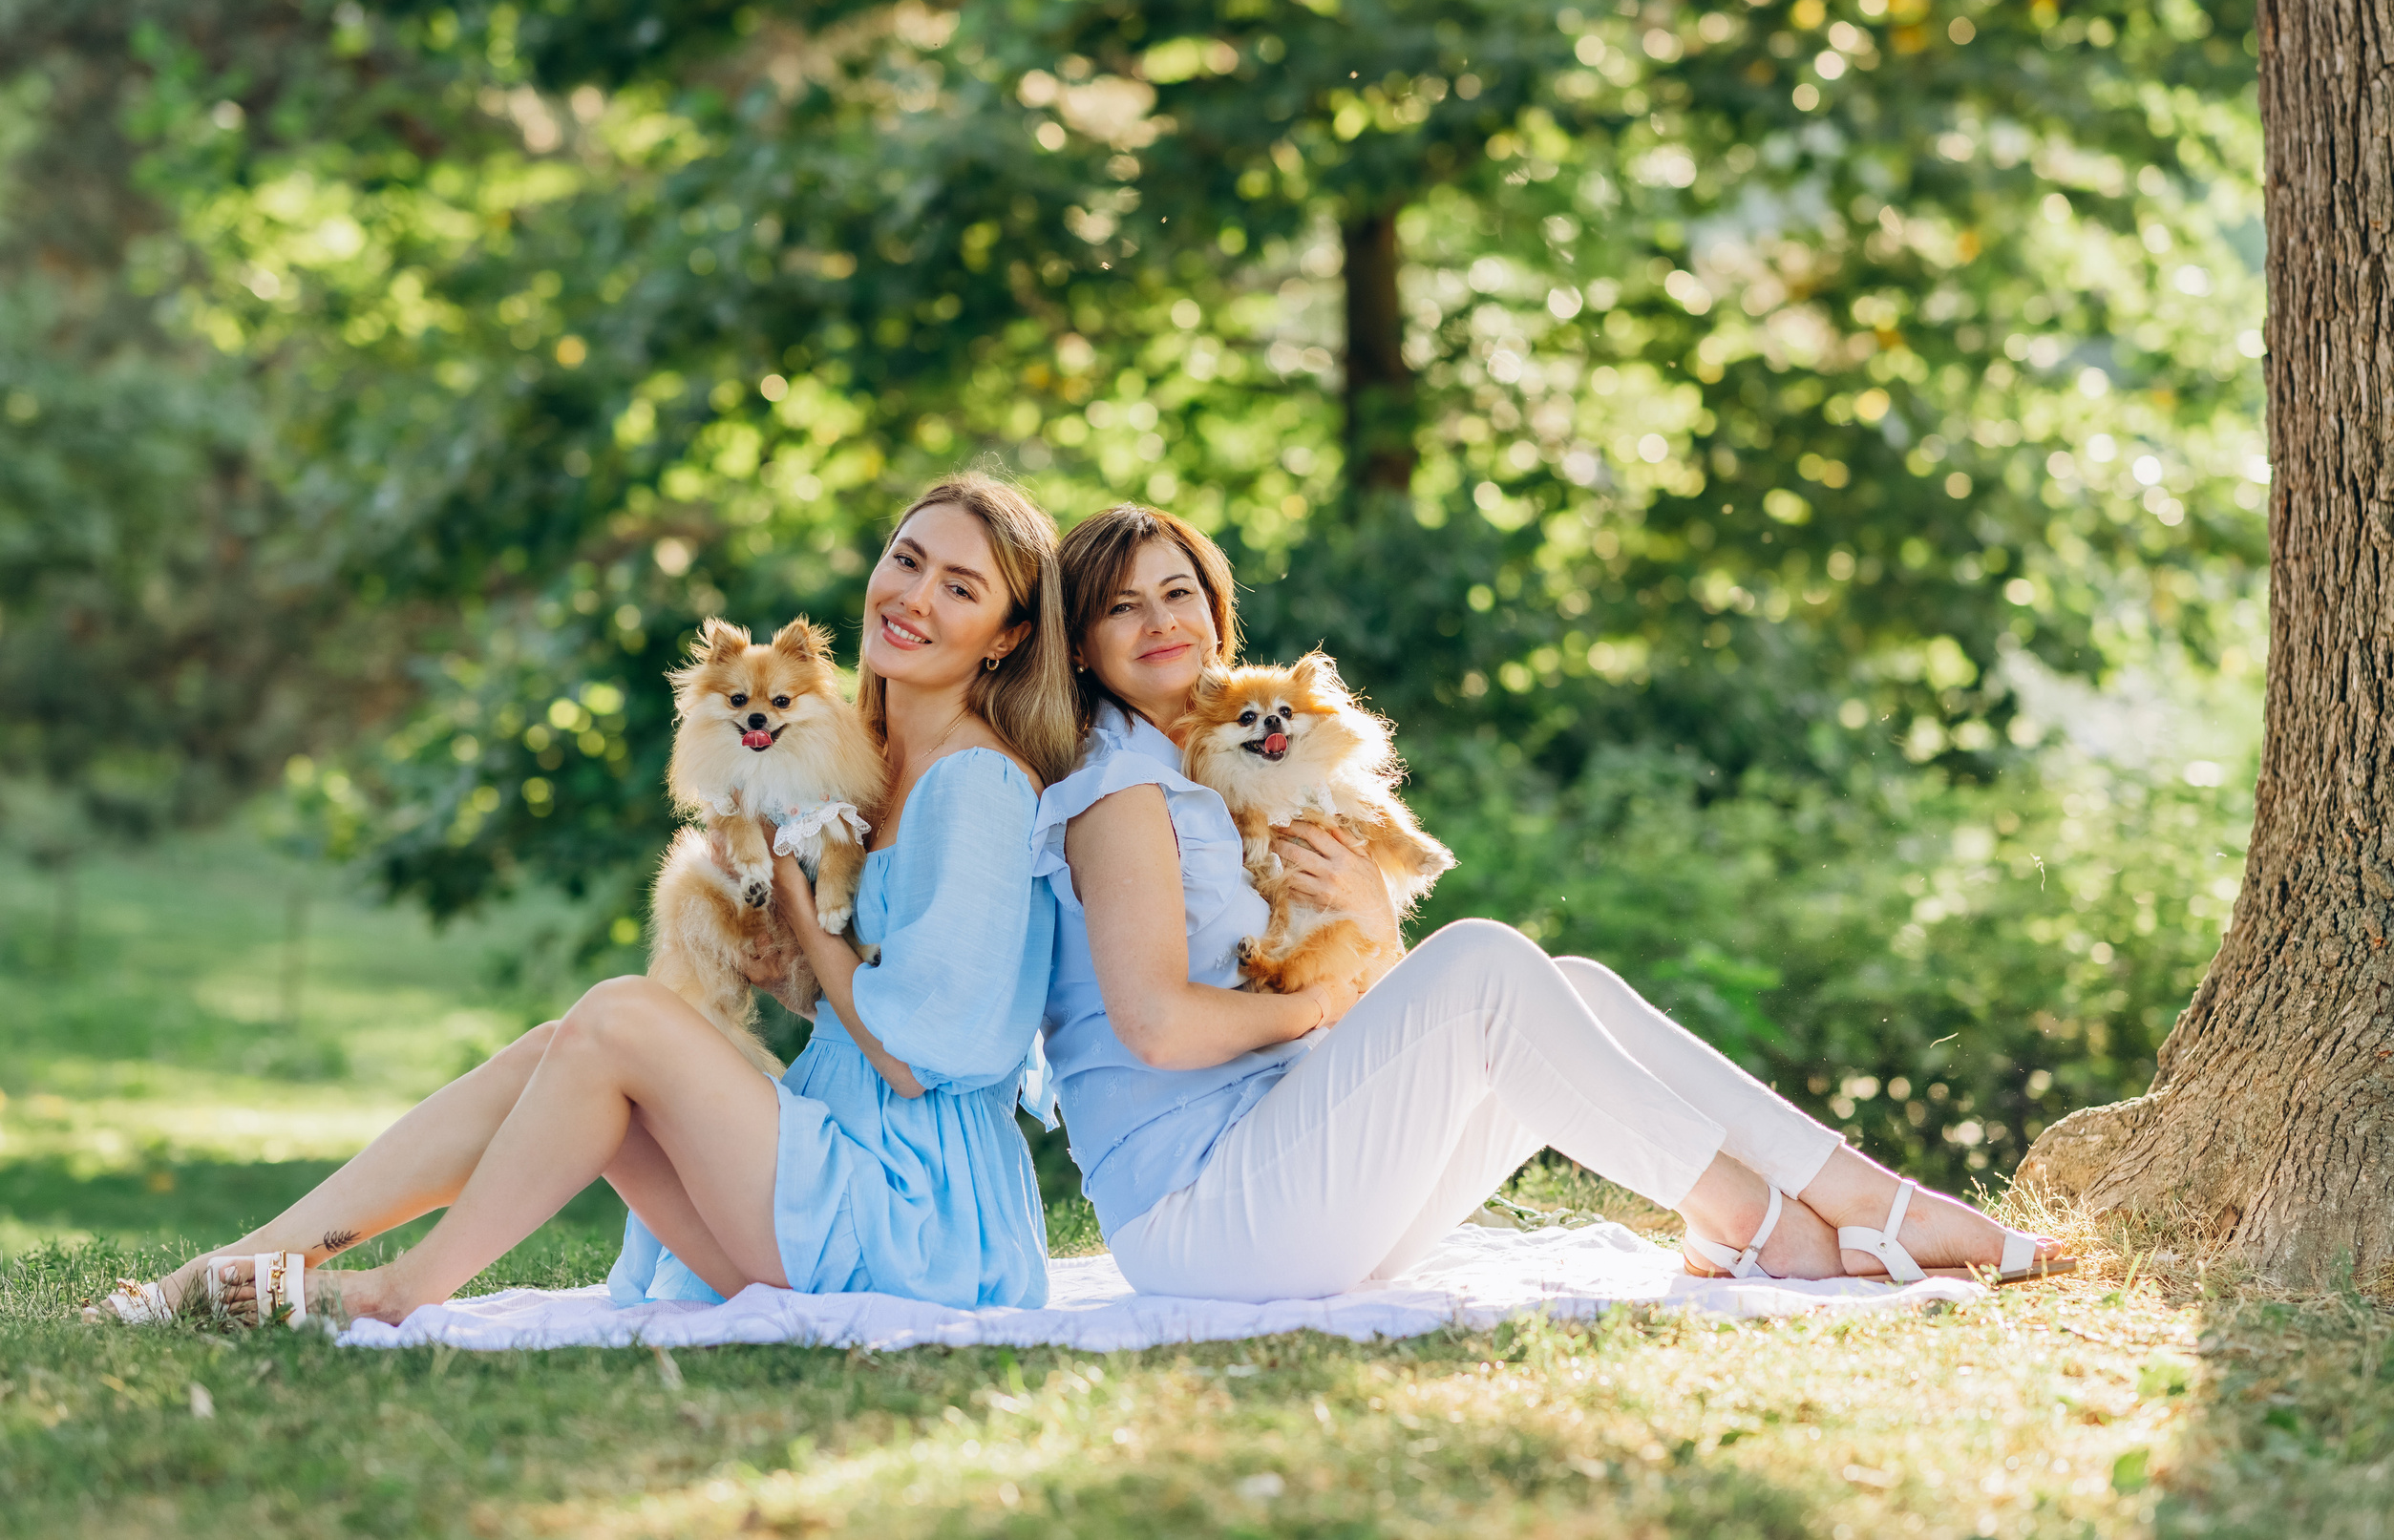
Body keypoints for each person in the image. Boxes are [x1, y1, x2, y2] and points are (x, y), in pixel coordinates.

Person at [1031, 503, 2070, 1302]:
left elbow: (1342, 974)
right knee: (1483, 959)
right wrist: (1320, 1009)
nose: (1161, 621)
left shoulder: (1232, 776)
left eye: (1178, 593)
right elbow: (1159, 1027)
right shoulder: (1119, 794)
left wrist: (1372, 932)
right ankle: (1764, 1224)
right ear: (1080, 643)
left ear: (1216, 612)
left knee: (1567, 985)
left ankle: (1868, 1201)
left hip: (1301, 1180)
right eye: (1121, 605)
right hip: (1210, 1218)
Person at [101, 474, 1074, 1326]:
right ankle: (236, 1267)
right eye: (906, 560)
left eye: (960, 587)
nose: (913, 596)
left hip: (918, 1215)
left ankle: (398, 1290)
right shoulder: (864, 759)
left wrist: (787, 880)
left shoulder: (978, 785)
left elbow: (915, 1054)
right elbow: (859, 993)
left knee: (617, 1016)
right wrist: (774, 959)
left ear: (1008, 635)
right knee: (561, 1047)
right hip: (823, 1171)